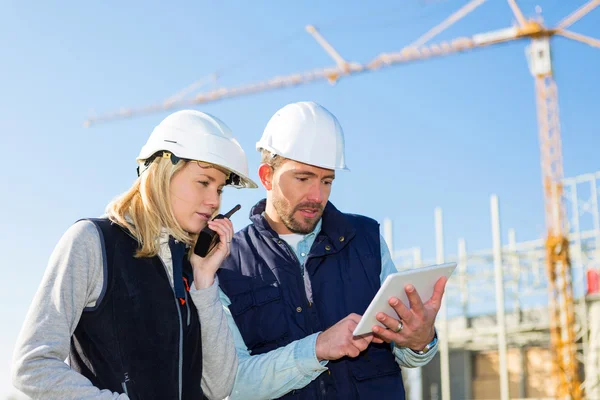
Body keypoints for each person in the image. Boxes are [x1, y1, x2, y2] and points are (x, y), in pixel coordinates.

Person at [12, 110, 257, 400]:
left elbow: (219, 387)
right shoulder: (92, 242)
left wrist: (204, 281)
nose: (214, 200)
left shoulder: (193, 266)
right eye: (203, 182)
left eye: (219, 189)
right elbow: (32, 365)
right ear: (163, 172)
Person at [217, 101, 447, 399]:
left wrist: (421, 339)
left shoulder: (366, 239)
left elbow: (410, 355)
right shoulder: (226, 263)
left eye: (327, 181)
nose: (317, 195)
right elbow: (230, 384)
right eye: (303, 178)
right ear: (266, 176)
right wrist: (316, 348)